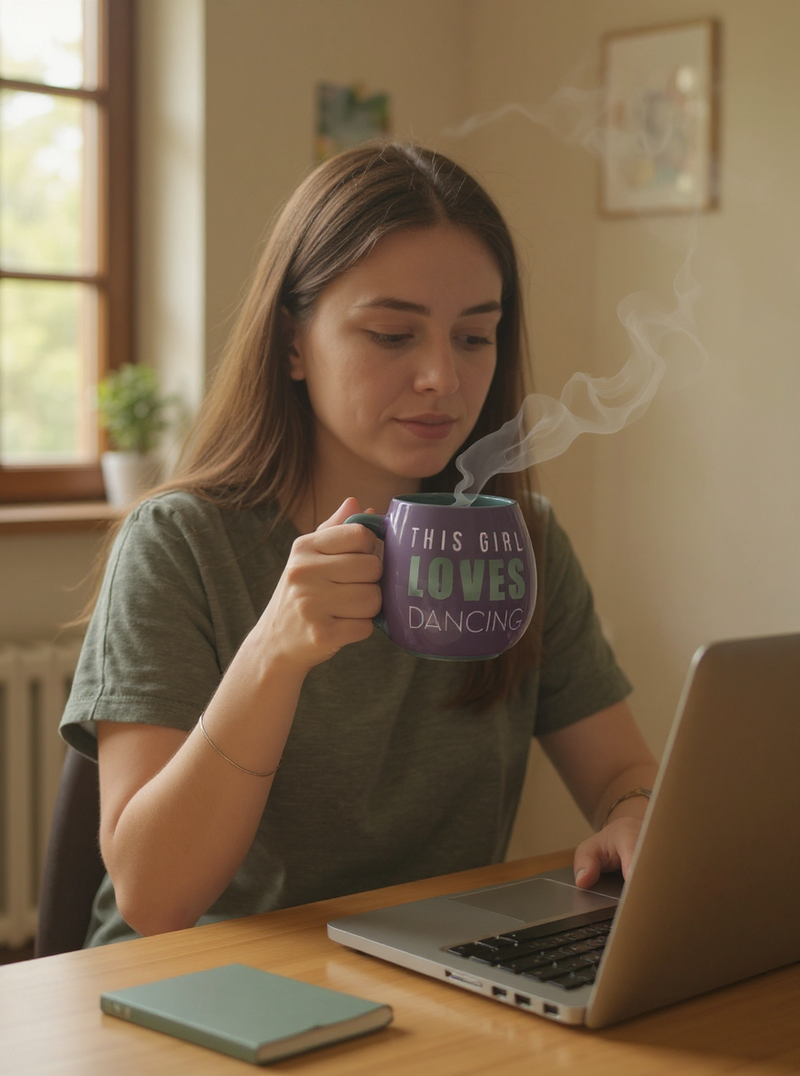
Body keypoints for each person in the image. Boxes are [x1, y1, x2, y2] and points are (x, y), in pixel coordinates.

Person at [60, 142, 658, 947]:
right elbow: (153, 898)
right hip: (196, 990)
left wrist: (634, 819)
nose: (442, 378)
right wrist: (272, 653)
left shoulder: (525, 542)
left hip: (428, 971)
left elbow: (625, 775)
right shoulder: (181, 545)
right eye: (389, 335)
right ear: (294, 344)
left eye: (474, 338)